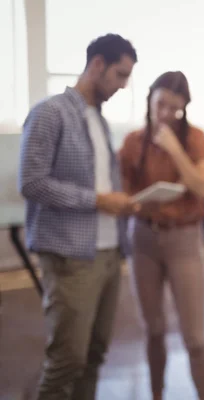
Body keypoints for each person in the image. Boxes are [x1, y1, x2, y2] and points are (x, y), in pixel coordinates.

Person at [18, 34, 138, 400]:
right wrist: (99, 201)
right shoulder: (49, 112)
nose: (122, 85)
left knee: (94, 355)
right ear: (97, 64)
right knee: (66, 361)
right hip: (70, 257)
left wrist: (120, 203)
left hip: (108, 253)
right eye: (120, 74)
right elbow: (32, 182)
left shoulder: (98, 121)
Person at [119, 71, 204, 400]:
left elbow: (202, 187)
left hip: (184, 239)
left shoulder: (194, 140)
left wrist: (174, 149)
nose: (165, 114)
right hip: (143, 237)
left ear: (184, 108)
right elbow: (125, 198)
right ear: (149, 99)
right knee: (154, 330)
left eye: (174, 108)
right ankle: (156, 394)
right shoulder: (132, 143)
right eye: (160, 104)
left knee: (194, 337)